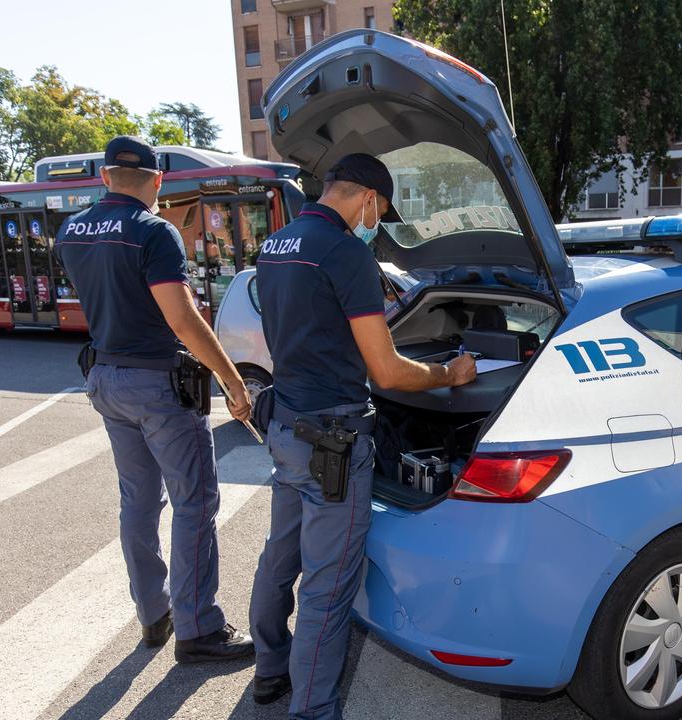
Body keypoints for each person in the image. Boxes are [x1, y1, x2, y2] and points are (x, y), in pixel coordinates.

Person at [248, 153, 476, 717]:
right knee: (328, 585)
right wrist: (452, 374)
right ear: (369, 198)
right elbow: (390, 372)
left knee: (280, 554)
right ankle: (313, 710)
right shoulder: (346, 251)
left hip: (284, 426)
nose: (376, 221)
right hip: (333, 439)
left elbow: (308, 328)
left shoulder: (278, 244)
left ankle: (269, 670)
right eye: (380, 210)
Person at [55, 136, 256, 663]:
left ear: (104, 177)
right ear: (157, 179)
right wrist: (233, 382)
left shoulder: (72, 229)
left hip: (104, 378)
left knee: (138, 503)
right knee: (194, 502)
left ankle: (154, 615)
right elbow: (182, 318)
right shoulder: (154, 231)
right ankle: (199, 629)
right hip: (156, 385)